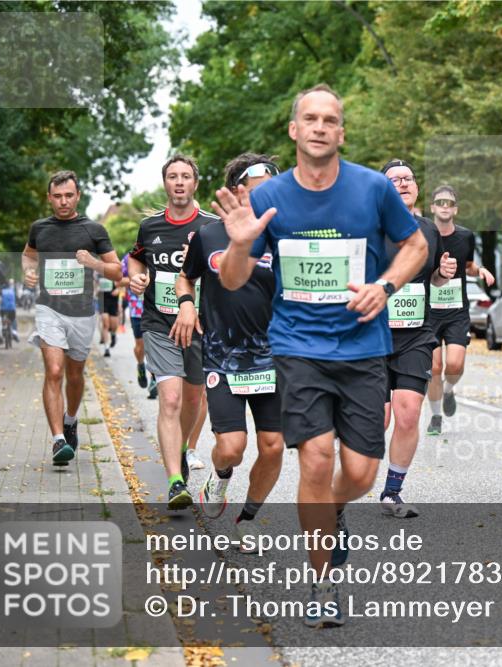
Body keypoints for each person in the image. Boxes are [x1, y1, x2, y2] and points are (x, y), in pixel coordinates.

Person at [214, 83, 427, 627]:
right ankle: (323, 582)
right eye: (309, 118)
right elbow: (235, 281)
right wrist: (238, 245)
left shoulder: (374, 189)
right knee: (314, 457)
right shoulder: (268, 198)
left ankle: (329, 511)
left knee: (358, 472)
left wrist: (385, 285)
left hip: (362, 345)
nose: (319, 127)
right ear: (294, 129)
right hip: (297, 346)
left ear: (341, 132)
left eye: (329, 119)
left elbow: (417, 246)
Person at [179, 153, 286, 547]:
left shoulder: (285, 235)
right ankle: (219, 478)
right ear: (238, 191)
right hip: (222, 356)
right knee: (231, 448)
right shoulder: (207, 236)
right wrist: (187, 304)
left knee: (273, 446)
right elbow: (184, 279)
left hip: (273, 356)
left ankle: (248, 518)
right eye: (259, 190)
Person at [127, 154, 218, 510]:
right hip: (158, 322)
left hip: (199, 326)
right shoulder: (150, 227)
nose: (179, 182)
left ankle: (181, 448)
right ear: (165, 183)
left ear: (195, 183)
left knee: (194, 400)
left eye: (185, 176)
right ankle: (175, 482)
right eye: (172, 176)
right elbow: (135, 256)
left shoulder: (212, 227)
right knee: (171, 398)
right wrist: (136, 274)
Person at [22, 171, 121, 466]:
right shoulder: (39, 228)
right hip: (48, 308)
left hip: (81, 313)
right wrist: (28, 270)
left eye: (68, 195)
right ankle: (58, 441)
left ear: (78, 196)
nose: (63, 201)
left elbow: (117, 270)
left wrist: (92, 262)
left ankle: (71, 420)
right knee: (54, 370)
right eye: (57, 196)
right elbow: (29, 255)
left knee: (75, 376)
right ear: (49, 198)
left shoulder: (94, 230)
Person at [379, 159, 454, 518]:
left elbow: (434, 281)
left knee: (408, 414)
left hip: (416, 335)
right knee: (377, 420)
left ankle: (392, 491)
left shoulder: (428, 230)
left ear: (416, 187)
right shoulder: (368, 226)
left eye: (407, 179)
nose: (402, 184)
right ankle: (346, 478)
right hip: (372, 336)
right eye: (394, 180)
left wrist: (441, 273)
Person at [424, 185, 495, 436]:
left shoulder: (465, 236)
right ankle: (435, 416)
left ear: (455, 209)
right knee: (433, 368)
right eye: (439, 202)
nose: (444, 206)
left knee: (454, 365)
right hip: (430, 312)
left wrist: (481, 270)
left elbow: (468, 265)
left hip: (456, 311)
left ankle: (448, 390)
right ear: (432, 207)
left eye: (449, 203)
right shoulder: (425, 235)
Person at [120, 252, 152, 393]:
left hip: (156, 310)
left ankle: (155, 381)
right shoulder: (128, 258)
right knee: (140, 346)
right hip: (137, 309)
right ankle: (140, 366)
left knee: (155, 346)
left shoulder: (160, 251)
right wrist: (137, 279)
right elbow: (118, 281)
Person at [97, 269, 120, 357]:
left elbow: (122, 284)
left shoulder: (116, 271)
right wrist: (96, 290)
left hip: (113, 301)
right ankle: (107, 348)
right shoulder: (99, 273)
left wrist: (119, 289)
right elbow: (95, 285)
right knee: (105, 324)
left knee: (113, 326)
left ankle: (113, 334)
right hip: (103, 300)